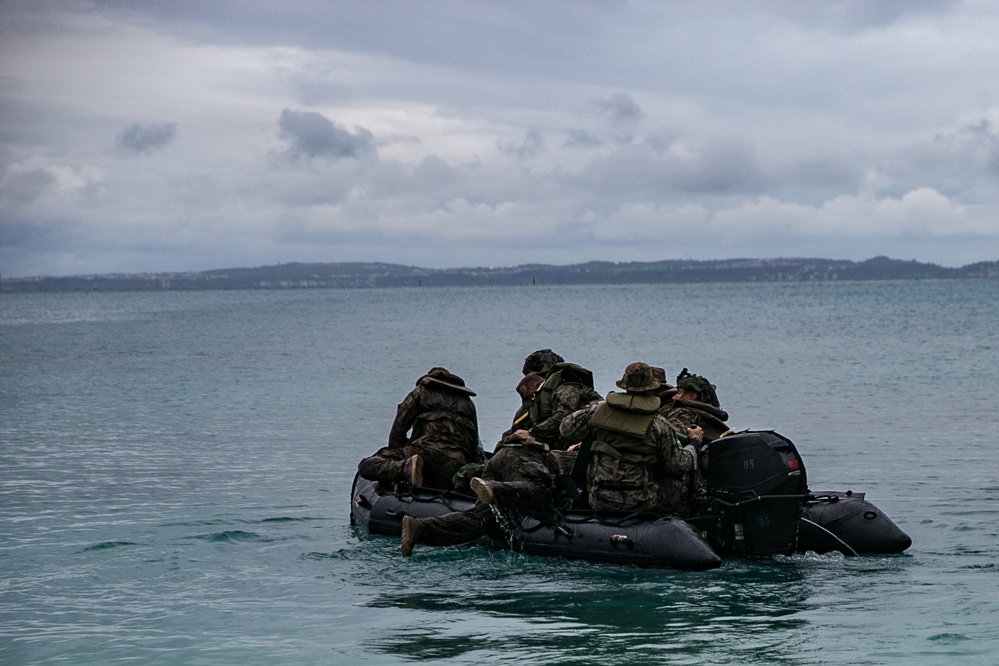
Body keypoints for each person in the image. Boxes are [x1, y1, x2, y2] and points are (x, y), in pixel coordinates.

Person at [559, 362, 701, 516]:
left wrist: (596, 408)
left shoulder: (598, 413)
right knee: (680, 490)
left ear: (625, 386)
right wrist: (694, 443)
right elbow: (677, 464)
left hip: (600, 497)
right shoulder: (658, 424)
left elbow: (566, 430)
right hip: (641, 501)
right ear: (653, 388)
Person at [400, 430, 561, 556]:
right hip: (520, 458)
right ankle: (495, 488)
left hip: (499, 458)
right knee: (540, 489)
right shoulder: (565, 456)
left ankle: (419, 527)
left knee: (481, 519)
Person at [357, 367, 482, 491]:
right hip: (456, 461)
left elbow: (399, 428)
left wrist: (399, 455)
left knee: (367, 466)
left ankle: (404, 469)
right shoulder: (469, 404)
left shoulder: (420, 392)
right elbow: (473, 445)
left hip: (423, 453)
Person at [519, 349, 602, 449]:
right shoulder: (538, 398)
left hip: (583, 442)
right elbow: (521, 423)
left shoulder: (567, 388)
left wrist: (532, 433)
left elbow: (562, 418)